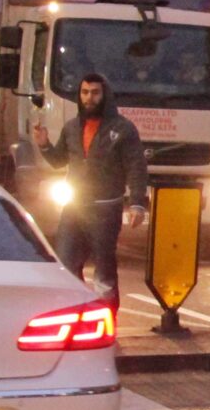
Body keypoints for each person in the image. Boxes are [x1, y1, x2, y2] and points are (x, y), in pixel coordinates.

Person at [31, 73, 148, 310]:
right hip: (74, 208)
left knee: (104, 267)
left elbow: (136, 166)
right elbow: (58, 161)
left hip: (106, 208)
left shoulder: (122, 128)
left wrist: (137, 203)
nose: (89, 98)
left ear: (105, 94)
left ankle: (107, 318)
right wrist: (44, 144)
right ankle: (76, 312)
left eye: (95, 93)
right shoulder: (72, 127)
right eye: (84, 93)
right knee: (66, 262)